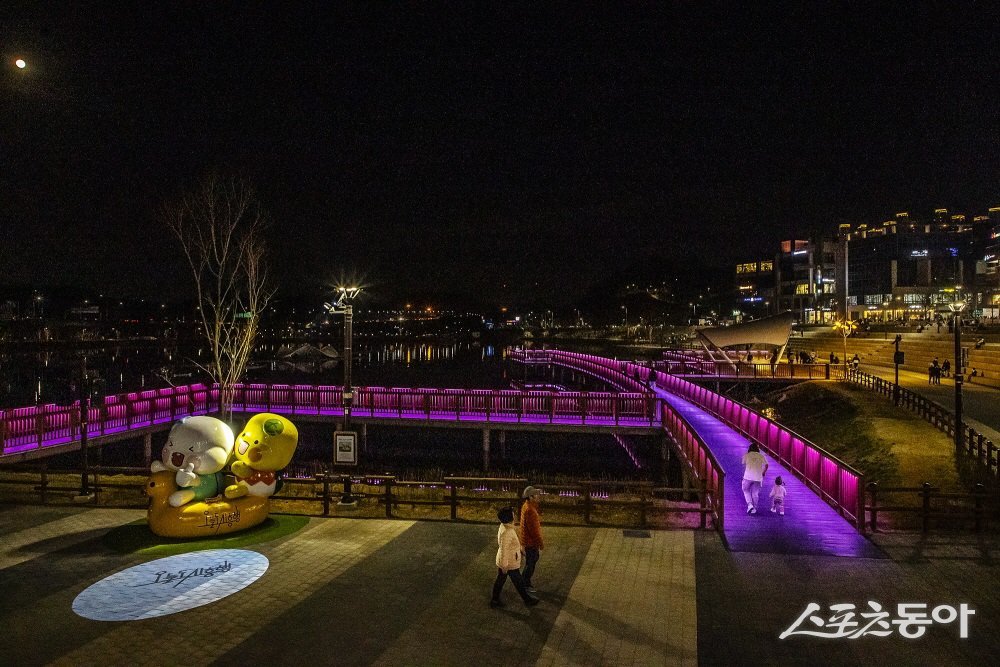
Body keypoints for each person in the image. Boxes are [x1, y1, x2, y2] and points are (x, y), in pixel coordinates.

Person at [491, 506, 539, 608]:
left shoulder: (506, 527)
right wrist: (504, 566)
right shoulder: (507, 532)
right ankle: (527, 599)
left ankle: (495, 600)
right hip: (509, 562)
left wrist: (519, 550)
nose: (514, 514)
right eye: (513, 513)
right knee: (516, 581)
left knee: (506, 580)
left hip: (508, 561)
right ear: (509, 517)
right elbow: (504, 550)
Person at [519, 485, 544, 593]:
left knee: (532, 560)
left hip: (527, 541)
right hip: (530, 542)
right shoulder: (530, 510)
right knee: (531, 563)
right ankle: (524, 584)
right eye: (536, 495)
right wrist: (540, 543)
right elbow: (534, 531)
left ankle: (523, 582)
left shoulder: (527, 506)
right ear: (530, 497)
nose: (538, 496)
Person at [741, 443, 769, 514]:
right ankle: (754, 508)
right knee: (755, 493)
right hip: (758, 477)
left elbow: (743, 462)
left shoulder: (746, 455)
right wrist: (763, 472)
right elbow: (766, 465)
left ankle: (750, 505)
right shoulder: (761, 456)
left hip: (747, 477)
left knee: (746, 490)